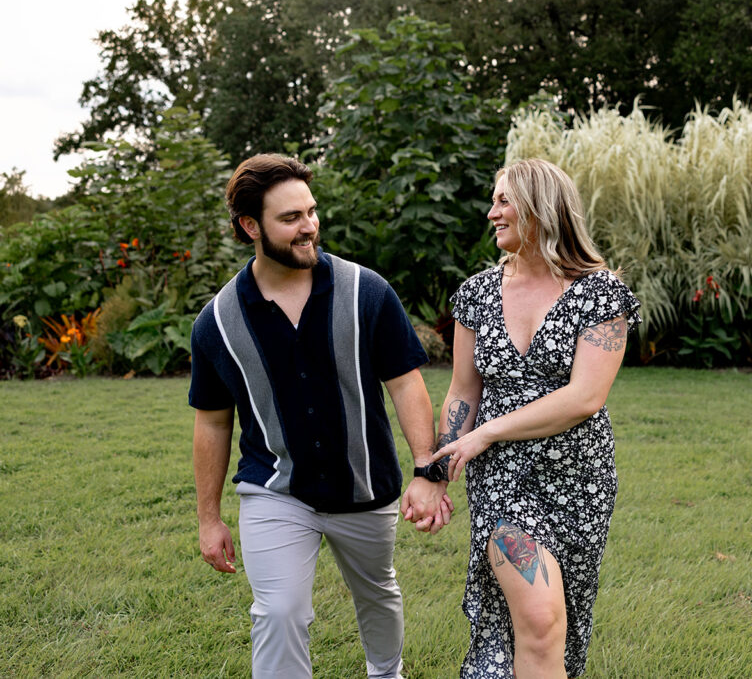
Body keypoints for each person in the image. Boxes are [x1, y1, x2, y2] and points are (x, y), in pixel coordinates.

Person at [189, 153, 453, 679]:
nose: (309, 225)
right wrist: (209, 518)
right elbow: (213, 422)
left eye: (311, 211)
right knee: (278, 612)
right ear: (250, 226)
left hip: (365, 484)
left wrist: (427, 469)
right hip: (274, 488)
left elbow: (405, 384)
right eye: (290, 218)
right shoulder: (217, 321)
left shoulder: (368, 292)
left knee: (377, 593)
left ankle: (386, 672)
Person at [425, 158, 640, 678]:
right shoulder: (476, 295)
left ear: (542, 209)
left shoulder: (600, 293)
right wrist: (434, 474)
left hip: (581, 480)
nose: (491, 212)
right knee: (541, 617)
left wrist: (488, 431)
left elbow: (585, 397)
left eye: (503, 201)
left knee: (560, 623)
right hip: (502, 481)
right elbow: (462, 392)